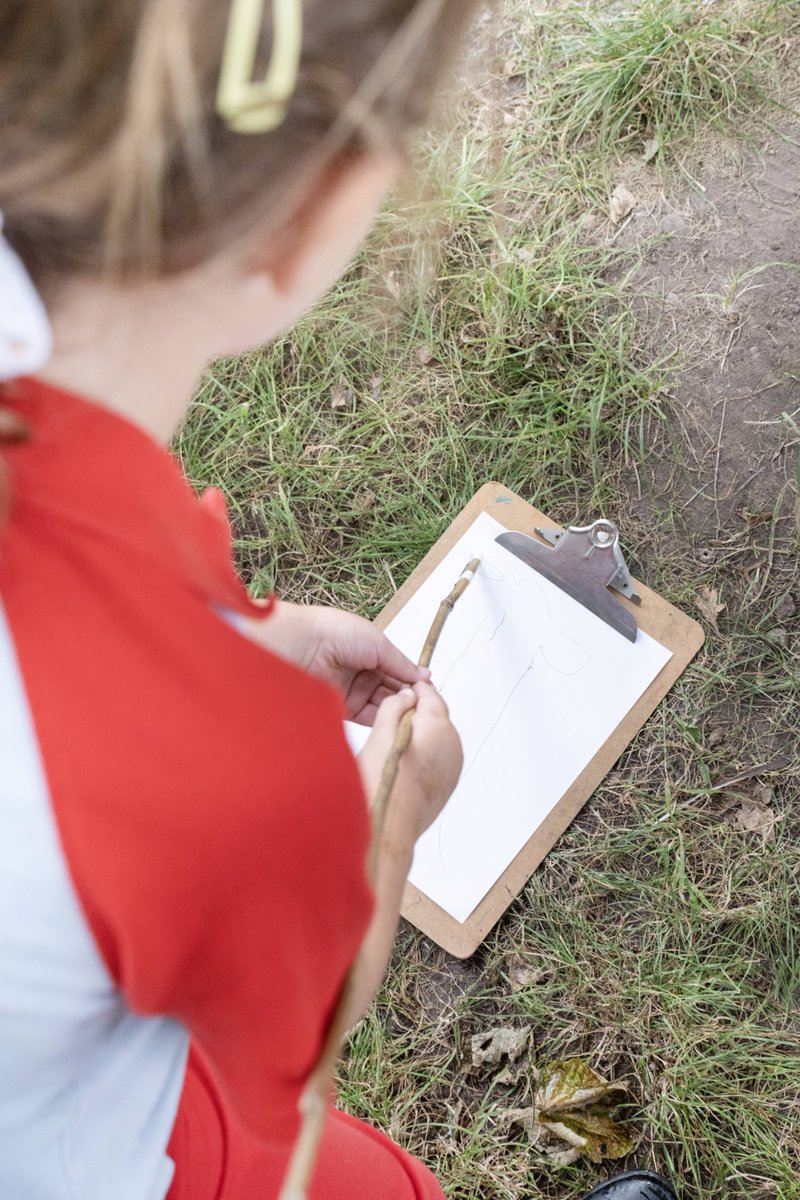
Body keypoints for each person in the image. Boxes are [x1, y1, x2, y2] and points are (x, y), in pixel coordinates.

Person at [0, 2, 678, 1198]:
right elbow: (299, 1025)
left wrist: (232, 639)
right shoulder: (209, 773)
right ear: (306, 219)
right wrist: (388, 822)